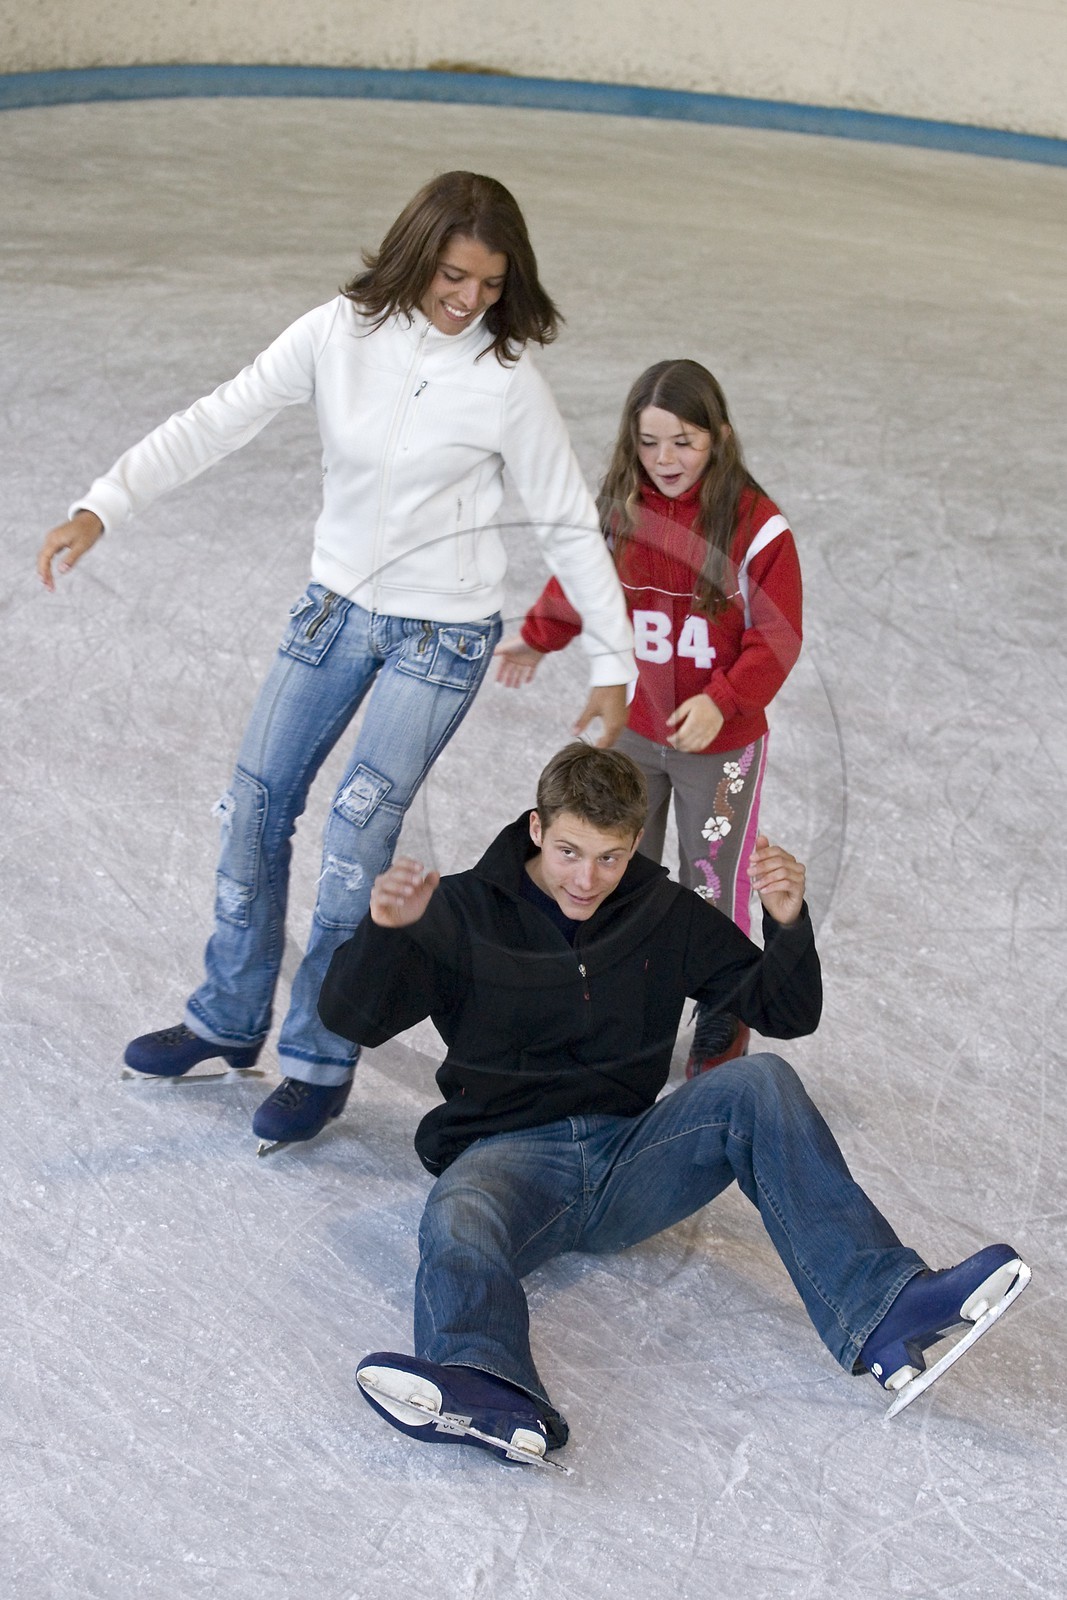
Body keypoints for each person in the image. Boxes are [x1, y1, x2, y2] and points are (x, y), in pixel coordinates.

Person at [35, 171, 634, 1151]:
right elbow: (219, 415)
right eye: (452, 275)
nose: (468, 299)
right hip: (335, 611)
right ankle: (228, 1015)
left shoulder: (506, 382)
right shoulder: (336, 333)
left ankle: (319, 1056)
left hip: (440, 635)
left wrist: (610, 660)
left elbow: (568, 521)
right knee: (253, 805)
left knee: (358, 838)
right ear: (416, 255)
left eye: (489, 283)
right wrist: (105, 502)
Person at [319, 742, 1029, 1469]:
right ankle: (487, 1382)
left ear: (635, 842)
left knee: (759, 1081)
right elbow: (351, 1019)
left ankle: (885, 1309)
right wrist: (386, 932)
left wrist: (786, 923)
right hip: (505, 1160)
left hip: (632, 1157)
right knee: (460, 1211)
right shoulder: (460, 910)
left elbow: (783, 1012)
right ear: (536, 827)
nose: (586, 879)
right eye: (568, 852)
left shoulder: (662, 915)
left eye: (609, 858)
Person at [495, 359, 802, 1076]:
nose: (665, 459)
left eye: (684, 442)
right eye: (649, 442)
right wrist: (537, 637)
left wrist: (722, 699)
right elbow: (579, 582)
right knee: (620, 867)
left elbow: (778, 637)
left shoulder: (758, 529)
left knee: (710, 879)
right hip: (634, 733)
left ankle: (723, 1006)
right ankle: (616, 1000)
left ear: (719, 438)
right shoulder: (619, 513)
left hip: (720, 747)